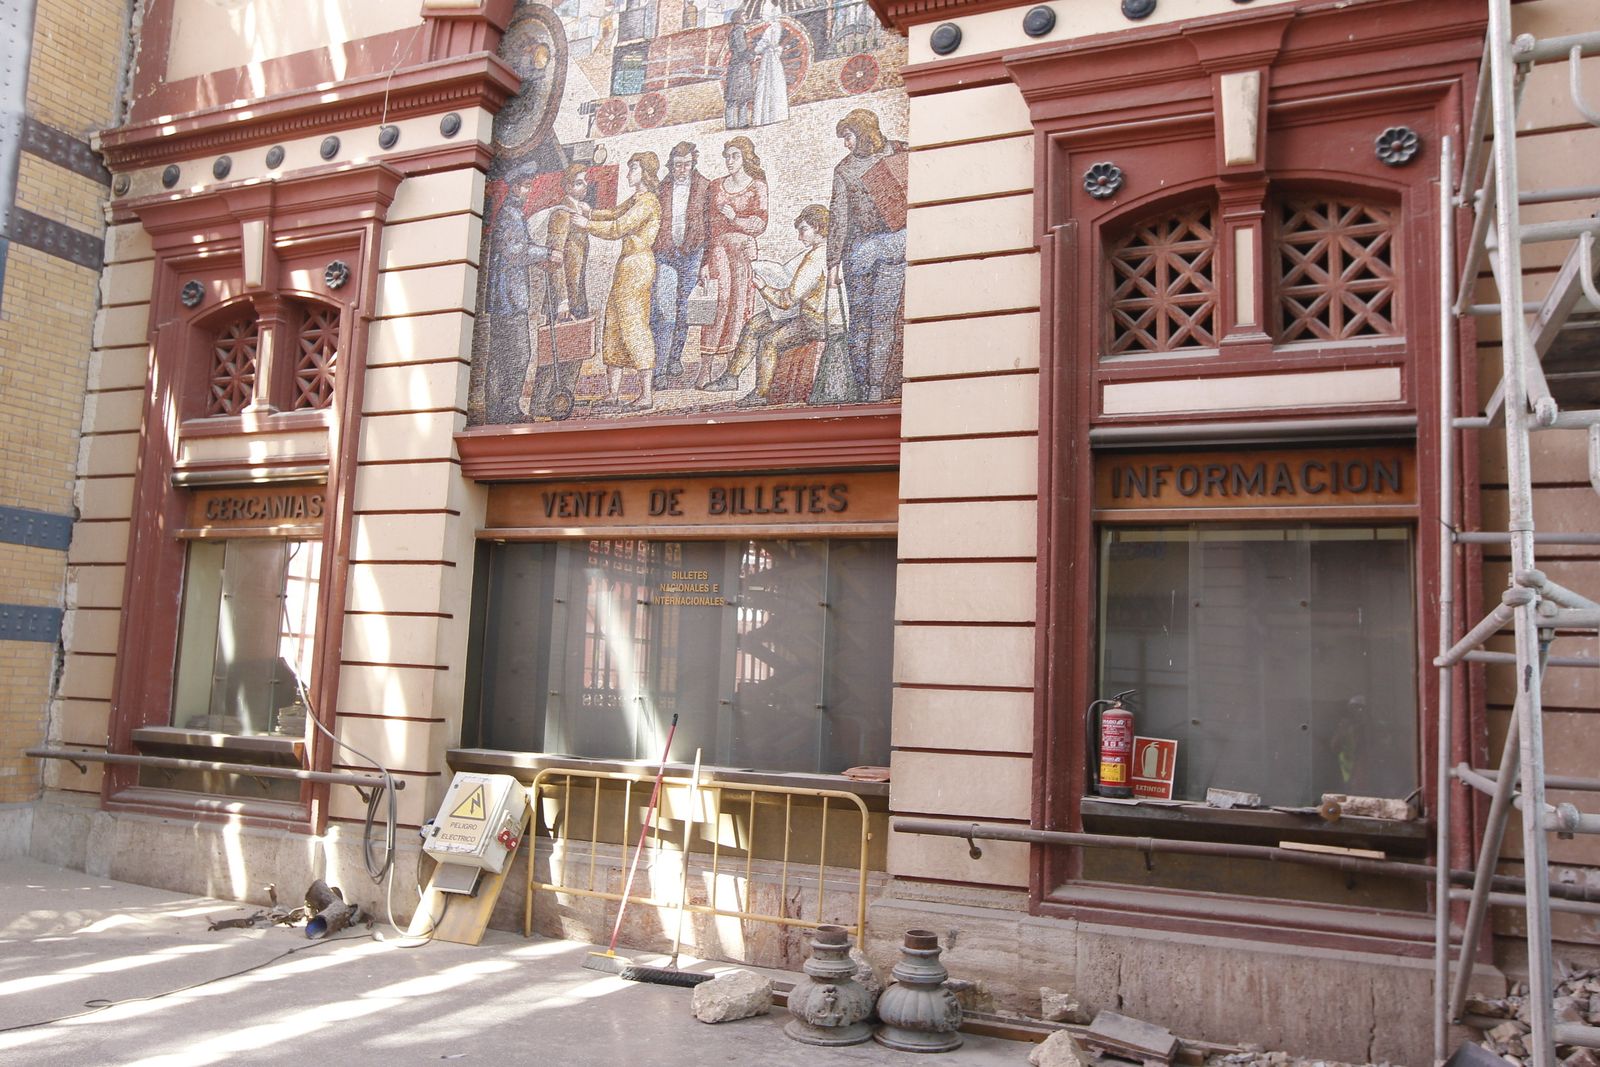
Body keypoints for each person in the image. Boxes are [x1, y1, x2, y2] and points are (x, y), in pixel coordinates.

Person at [706, 205, 832, 406]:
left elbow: (786, 301)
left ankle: (761, 393)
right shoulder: (817, 251)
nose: (800, 237)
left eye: (804, 229)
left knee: (770, 341)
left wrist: (763, 286)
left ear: (818, 227)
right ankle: (730, 377)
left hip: (817, 320)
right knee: (755, 324)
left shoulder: (816, 258)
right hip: (804, 312)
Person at [568, 152, 662, 408]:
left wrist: (587, 224)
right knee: (613, 324)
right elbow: (613, 214)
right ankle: (613, 393)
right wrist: (593, 212)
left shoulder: (648, 202)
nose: (629, 173)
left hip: (638, 264)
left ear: (645, 173)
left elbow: (619, 227)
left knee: (634, 325)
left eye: (633, 168)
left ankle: (646, 395)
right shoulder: (636, 198)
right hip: (626, 264)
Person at [827, 108, 907, 402]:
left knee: (869, 321)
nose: (845, 143)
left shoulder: (848, 169)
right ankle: (869, 388)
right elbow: (838, 219)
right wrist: (834, 262)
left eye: (848, 136)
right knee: (872, 321)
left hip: (877, 250)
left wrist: (834, 262)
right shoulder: (898, 151)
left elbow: (840, 220)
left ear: (861, 134)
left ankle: (868, 389)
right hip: (879, 248)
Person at [697, 136, 768, 384]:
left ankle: (730, 371)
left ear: (745, 157)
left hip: (742, 251)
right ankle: (705, 368)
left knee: (739, 306)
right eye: (727, 155)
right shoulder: (716, 186)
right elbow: (708, 227)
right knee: (718, 302)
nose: (729, 161)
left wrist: (735, 217)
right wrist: (705, 262)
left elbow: (760, 223)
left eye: (735, 155)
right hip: (719, 250)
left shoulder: (757, 186)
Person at [483, 176, 553, 423]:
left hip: (506, 298)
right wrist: (547, 253)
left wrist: (541, 258)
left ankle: (497, 409)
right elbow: (516, 251)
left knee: (502, 356)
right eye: (525, 186)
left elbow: (522, 247)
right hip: (509, 298)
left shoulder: (512, 213)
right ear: (515, 187)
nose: (528, 190)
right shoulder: (509, 215)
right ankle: (506, 409)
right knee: (518, 353)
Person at [649, 142, 712, 385]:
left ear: (693, 164)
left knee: (684, 309)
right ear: (671, 165)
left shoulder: (704, 186)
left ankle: (675, 357)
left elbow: (710, 227)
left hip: (692, 252)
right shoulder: (662, 187)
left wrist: (705, 261)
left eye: (686, 164)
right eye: (677, 165)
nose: (682, 169)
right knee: (664, 310)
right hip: (665, 253)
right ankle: (659, 369)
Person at [545, 164, 592, 321]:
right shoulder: (562, 213)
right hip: (564, 300)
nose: (585, 185)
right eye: (579, 182)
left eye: (585, 180)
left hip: (577, 295)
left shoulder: (580, 210)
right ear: (567, 187)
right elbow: (555, 258)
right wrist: (562, 301)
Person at [750, 1, 789, 127]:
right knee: (775, 83)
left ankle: (765, 117)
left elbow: (764, 42)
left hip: (768, 58)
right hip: (774, 58)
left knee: (766, 84)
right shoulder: (777, 27)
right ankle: (777, 114)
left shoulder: (771, 28)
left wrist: (754, 51)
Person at [722, 10, 755, 129]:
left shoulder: (736, 31)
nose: (746, 17)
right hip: (739, 67)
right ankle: (733, 123)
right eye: (744, 15)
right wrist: (753, 57)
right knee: (735, 97)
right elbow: (741, 50)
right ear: (738, 18)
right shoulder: (738, 31)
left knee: (741, 97)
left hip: (738, 66)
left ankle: (741, 122)